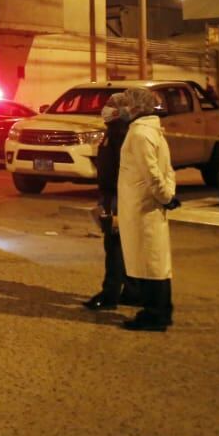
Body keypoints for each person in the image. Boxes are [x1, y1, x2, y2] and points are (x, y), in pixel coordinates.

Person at [117, 86, 180, 331]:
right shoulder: (153, 132)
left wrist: (165, 197)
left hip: (141, 206)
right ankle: (160, 311)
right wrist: (168, 195)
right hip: (148, 205)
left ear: (136, 107)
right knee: (154, 260)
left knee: (148, 262)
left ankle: (154, 314)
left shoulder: (140, 134)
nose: (122, 108)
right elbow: (167, 170)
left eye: (125, 103)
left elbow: (153, 173)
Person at [84, 92, 140, 310]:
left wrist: (115, 204)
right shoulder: (115, 130)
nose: (105, 109)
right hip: (113, 193)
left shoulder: (121, 132)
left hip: (118, 195)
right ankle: (132, 291)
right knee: (124, 244)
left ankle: (110, 294)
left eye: (109, 105)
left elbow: (123, 168)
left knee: (114, 244)